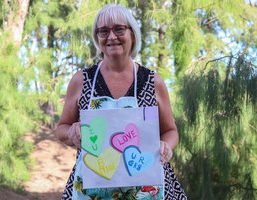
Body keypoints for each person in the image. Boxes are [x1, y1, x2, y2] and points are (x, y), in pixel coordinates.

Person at [54, 3, 187, 200]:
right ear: (97, 38)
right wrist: (72, 131)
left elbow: (170, 131)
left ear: (132, 34)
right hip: (93, 186)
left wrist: (166, 146)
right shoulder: (82, 80)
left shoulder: (153, 81)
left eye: (119, 29)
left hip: (147, 188)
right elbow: (61, 128)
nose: (111, 36)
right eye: (103, 31)